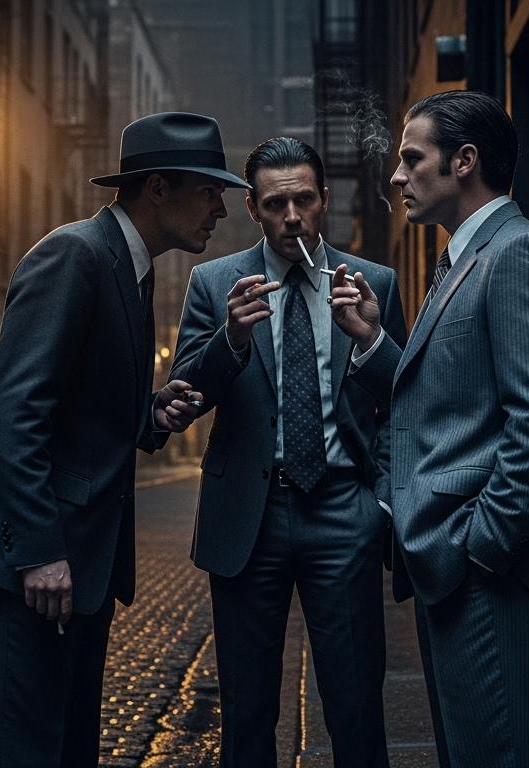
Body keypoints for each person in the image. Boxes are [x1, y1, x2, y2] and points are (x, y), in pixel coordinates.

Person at [0, 112, 251, 768]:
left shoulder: (130, 268)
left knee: (69, 742)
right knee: (28, 745)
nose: (221, 210)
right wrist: (39, 552)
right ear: (157, 190)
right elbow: (16, 410)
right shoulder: (74, 255)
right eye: (209, 191)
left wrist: (150, 410)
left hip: (82, 559)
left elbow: (82, 404)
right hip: (37, 557)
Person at [330, 90, 529, 767]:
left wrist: (482, 545)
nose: (395, 176)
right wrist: (375, 344)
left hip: (488, 572)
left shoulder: (520, 256)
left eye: (412, 159)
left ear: (464, 161)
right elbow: (447, 396)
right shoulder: (461, 261)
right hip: (455, 566)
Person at [168, 136, 406, 767]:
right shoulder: (215, 282)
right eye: (276, 204)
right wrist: (231, 339)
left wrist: (378, 503)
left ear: (324, 199)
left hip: (343, 513)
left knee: (356, 704)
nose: (292, 216)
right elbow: (186, 394)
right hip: (250, 515)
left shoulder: (373, 281)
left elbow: (403, 402)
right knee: (246, 711)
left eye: (304, 199)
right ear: (253, 207)